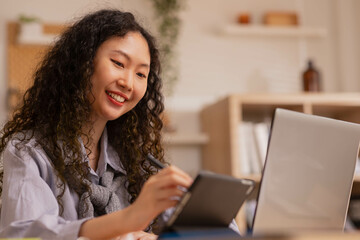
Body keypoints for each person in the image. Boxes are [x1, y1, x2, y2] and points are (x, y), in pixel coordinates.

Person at [0, 9, 193, 240]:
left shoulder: (137, 162)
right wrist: (128, 219)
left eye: (141, 74)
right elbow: (21, 235)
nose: (128, 83)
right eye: (118, 63)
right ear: (82, 63)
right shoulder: (28, 151)